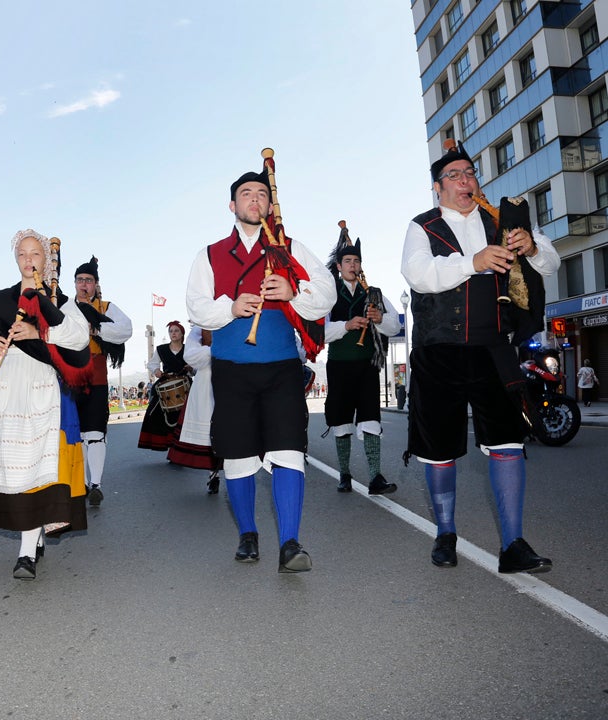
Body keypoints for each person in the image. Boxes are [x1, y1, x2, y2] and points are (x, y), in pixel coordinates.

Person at [401, 139, 560, 573]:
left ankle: (513, 545)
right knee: (439, 449)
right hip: (440, 353)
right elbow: (419, 274)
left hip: (494, 349)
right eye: (454, 176)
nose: (465, 181)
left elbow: (551, 262)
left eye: (470, 173)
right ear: (438, 187)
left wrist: (532, 248)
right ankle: (446, 532)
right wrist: (473, 261)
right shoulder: (423, 226)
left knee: (508, 442)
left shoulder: (503, 219)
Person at [186, 166, 334, 573]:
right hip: (232, 368)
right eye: (247, 194)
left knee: (289, 450)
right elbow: (196, 305)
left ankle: (290, 543)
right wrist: (229, 307)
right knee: (238, 456)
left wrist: (293, 291)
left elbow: (325, 292)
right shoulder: (210, 254)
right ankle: (248, 533)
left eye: (262, 194)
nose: (255, 200)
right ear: (233, 205)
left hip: (283, 366)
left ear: (270, 204)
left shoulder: (290, 248)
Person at [0, 229, 91, 580]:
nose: (28, 260)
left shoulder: (61, 302)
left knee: (38, 466)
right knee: (14, 466)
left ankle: (26, 552)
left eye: (35, 254)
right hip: (4, 391)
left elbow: (79, 339)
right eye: (22, 254)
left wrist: (41, 333)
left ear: (46, 260)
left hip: (45, 390)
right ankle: (35, 533)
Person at [323, 228, 401, 494]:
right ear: (338, 266)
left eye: (356, 261)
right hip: (339, 365)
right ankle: (344, 474)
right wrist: (346, 325)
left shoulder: (374, 294)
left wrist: (379, 319)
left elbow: (394, 326)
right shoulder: (329, 294)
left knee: (371, 419)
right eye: (348, 261)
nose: (353, 265)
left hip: (368, 365)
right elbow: (318, 333)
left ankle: (375, 477)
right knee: (342, 421)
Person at [72, 256, 133, 506]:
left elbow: (125, 329)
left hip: (96, 375)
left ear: (96, 284)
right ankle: (82, 482)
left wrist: (96, 328)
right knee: (76, 432)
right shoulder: (65, 307)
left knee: (95, 430)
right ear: (74, 283)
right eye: (80, 280)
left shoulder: (106, 307)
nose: (84, 284)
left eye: (89, 280)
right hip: (69, 376)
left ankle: (95, 483)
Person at [166, 324, 222, 494]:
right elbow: (192, 356)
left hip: (235, 377)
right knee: (209, 432)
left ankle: (238, 474)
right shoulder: (200, 328)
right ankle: (213, 473)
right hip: (206, 382)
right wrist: (221, 348)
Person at [137, 320, 191, 451]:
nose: (173, 333)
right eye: (171, 331)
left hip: (184, 382)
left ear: (182, 334)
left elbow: (195, 366)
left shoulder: (189, 349)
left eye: (176, 331)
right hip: (165, 381)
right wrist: (156, 371)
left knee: (193, 411)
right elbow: (152, 363)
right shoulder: (161, 349)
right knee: (153, 411)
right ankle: (163, 442)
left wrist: (191, 368)